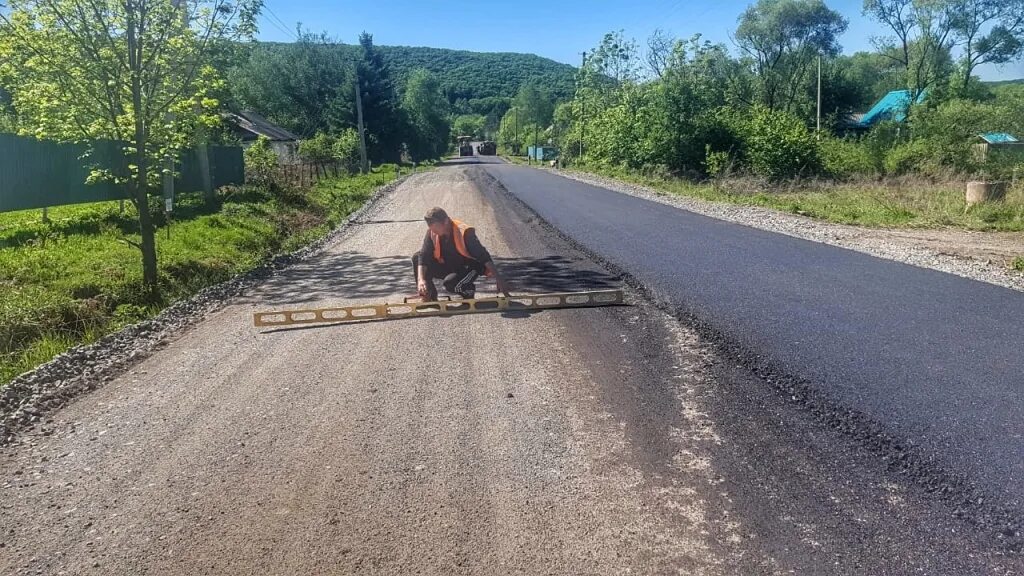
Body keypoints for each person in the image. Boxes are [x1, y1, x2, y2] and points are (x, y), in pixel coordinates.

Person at [412, 207, 510, 301]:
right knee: (417, 257)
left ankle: (468, 291)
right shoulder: (432, 232)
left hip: (468, 268)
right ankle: (428, 295)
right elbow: (423, 256)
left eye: (436, 227)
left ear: (446, 221)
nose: (433, 231)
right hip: (449, 266)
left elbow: (482, 255)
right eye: (431, 227)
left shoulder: (464, 231)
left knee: (451, 284)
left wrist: (498, 278)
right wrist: (421, 280)